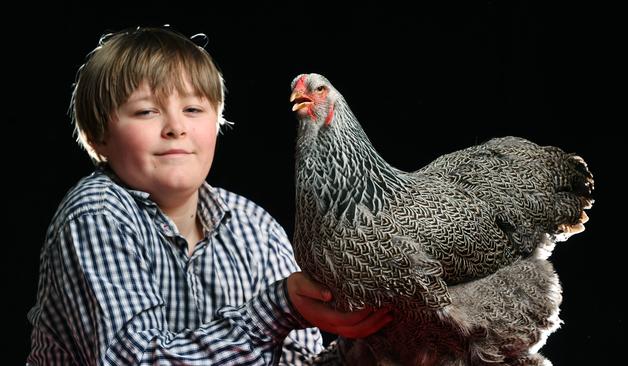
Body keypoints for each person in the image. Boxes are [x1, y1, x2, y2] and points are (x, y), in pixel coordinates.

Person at [26, 26, 392, 365]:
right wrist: (279, 307)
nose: (175, 127)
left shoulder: (256, 230)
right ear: (97, 136)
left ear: (216, 124)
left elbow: (297, 361)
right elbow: (135, 360)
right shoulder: (96, 215)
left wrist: (368, 348)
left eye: (193, 109)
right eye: (146, 111)